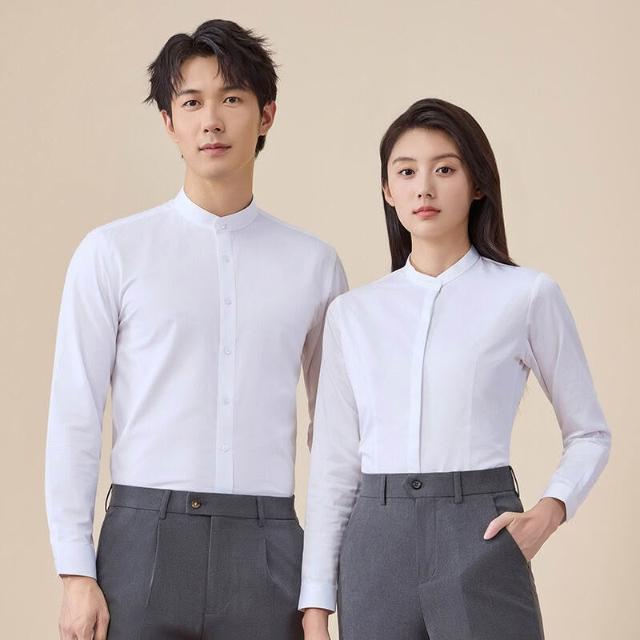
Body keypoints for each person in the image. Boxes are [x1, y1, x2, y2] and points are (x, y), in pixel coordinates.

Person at [45, 18, 347, 640]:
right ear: (169, 122)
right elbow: (75, 413)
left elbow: (338, 435)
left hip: (269, 547)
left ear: (266, 116)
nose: (211, 121)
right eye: (191, 102)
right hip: (141, 543)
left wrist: (319, 587)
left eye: (231, 98)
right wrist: (75, 571)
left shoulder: (314, 265)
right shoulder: (112, 252)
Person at [298, 98, 611, 640]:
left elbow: (590, 433)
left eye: (444, 169)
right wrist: (316, 606)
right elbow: (333, 466)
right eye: (406, 172)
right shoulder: (353, 314)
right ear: (387, 190)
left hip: (480, 534)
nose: (424, 188)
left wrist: (549, 511)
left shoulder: (526, 295)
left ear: (477, 183)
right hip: (375, 546)